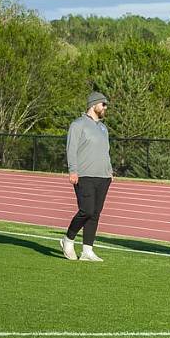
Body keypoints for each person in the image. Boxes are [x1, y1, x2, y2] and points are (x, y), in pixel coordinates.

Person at [61, 91, 113, 262]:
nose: (105, 107)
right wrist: (72, 170)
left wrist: (109, 171)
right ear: (94, 105)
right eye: (103, 104)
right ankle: (68, 240)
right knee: (86, 211)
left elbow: (105, 151)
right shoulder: (78, 124)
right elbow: (71, 149)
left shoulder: (103, 128)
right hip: (84, 175)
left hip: (103, 176)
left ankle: (87, 251)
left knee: (95, 213)